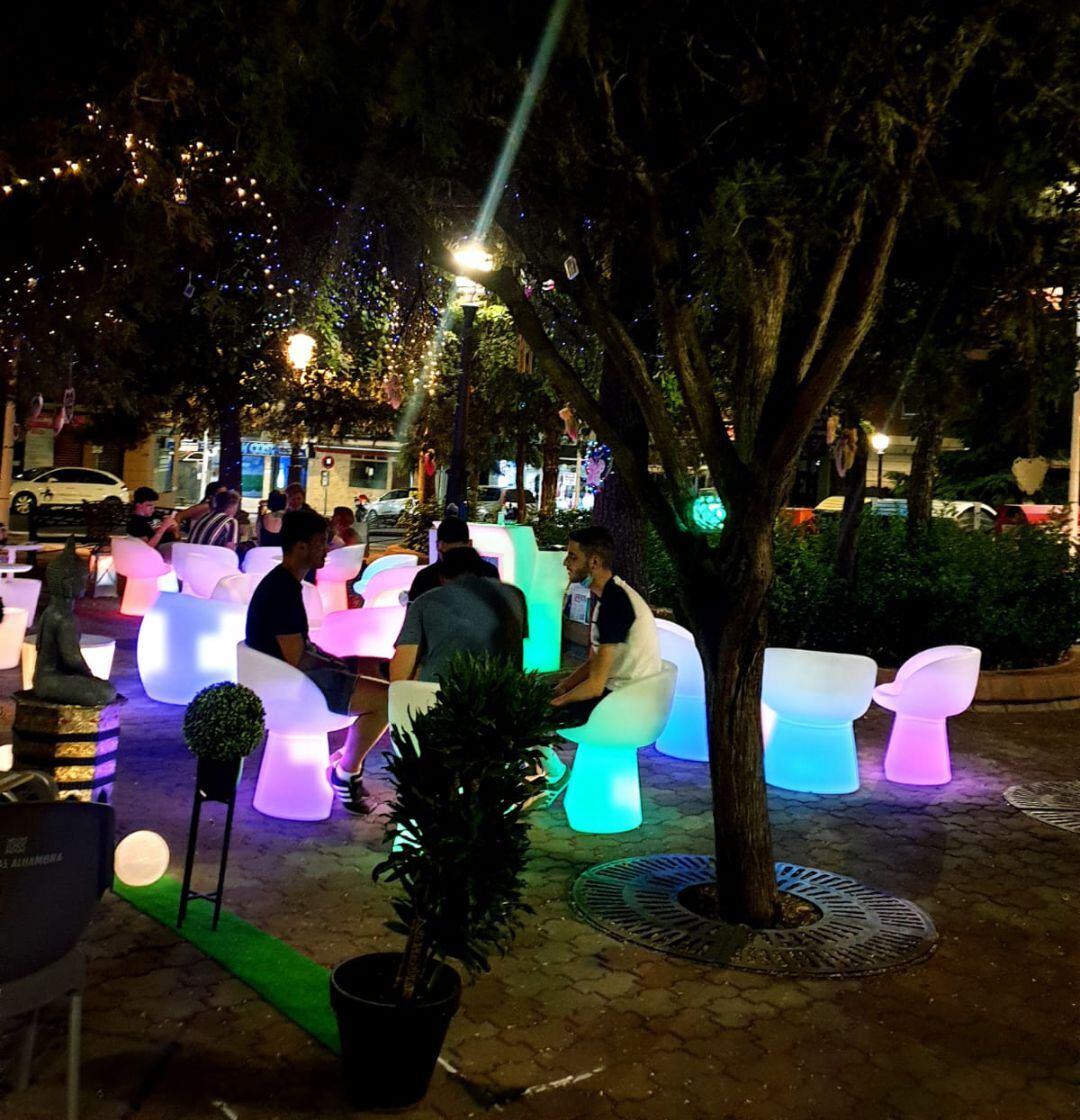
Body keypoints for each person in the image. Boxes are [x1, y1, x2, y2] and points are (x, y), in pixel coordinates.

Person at [245, 508, 386, 815]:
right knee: (387, 699)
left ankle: (346, 760)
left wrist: (347, 664)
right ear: (301, 547)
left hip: (286, 678)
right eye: (322, 543)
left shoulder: (283, 583)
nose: (328, 549)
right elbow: (298, 659)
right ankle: (346, 774)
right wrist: (342, 667)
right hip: (291, 688)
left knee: (377, 670)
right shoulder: (282, 591)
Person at [552, 526, 661, 725]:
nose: (566, 563)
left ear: (594, 561)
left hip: (622, 702)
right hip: (625, 695)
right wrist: (562, 687)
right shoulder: (612, 594)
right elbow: (593, 663)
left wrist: (554, 703)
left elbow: (594, 686)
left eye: (573, 557)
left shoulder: (614, 605)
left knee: (529, 715)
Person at [391, 545, 527, 683]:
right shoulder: (515, 595)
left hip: (444, 695)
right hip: (507, 692)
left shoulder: (426, 601)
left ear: (442, 577)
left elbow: (400, 674)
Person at [407, 516, 499, 602]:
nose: (456, 560)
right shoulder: (489, 572)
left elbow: (412, 616)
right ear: (470, 544)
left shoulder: (425, 578)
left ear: (439, 545)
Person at [126, 487, 178, 551]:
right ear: (138, 505)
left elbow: (158, 530)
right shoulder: (135, 523)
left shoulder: (153, 517)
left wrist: (172, 527)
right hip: (158, 552)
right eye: (149, 505)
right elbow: (147, 547)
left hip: (172, 546)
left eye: (153, 505)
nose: (153, 508)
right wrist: (164, 527)